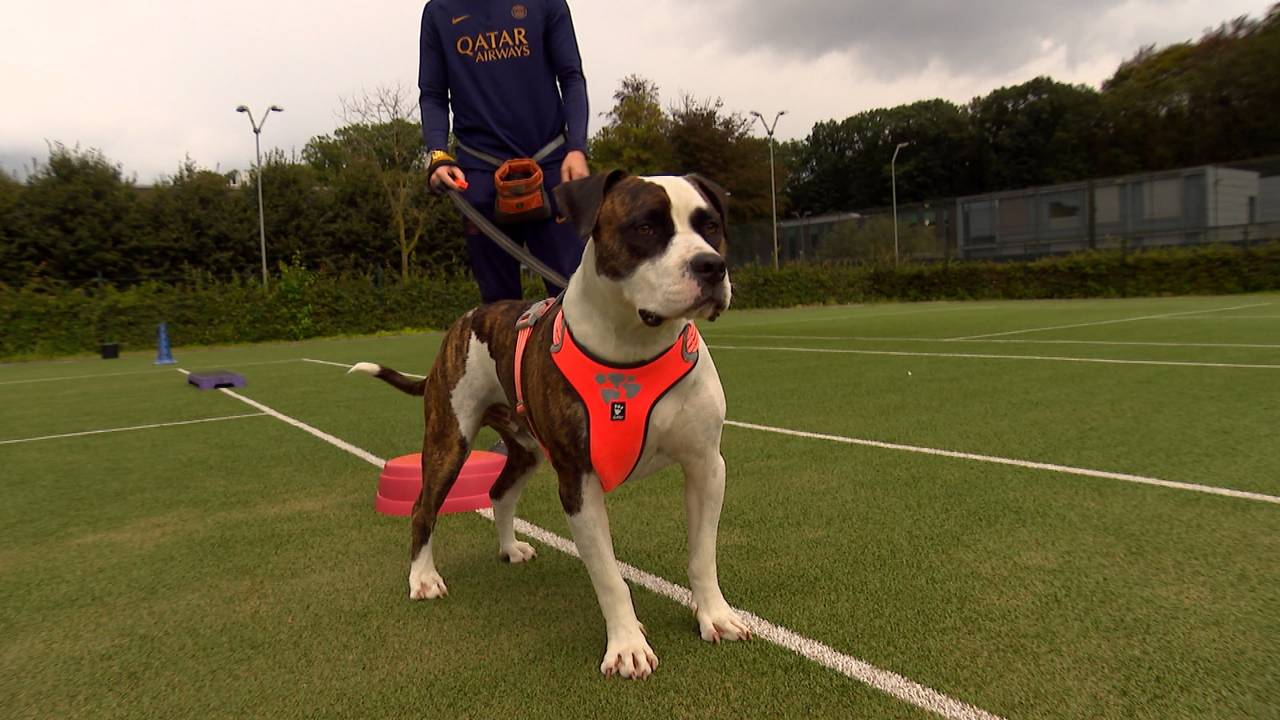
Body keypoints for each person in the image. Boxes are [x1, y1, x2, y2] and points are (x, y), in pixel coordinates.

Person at [419, 0, 590, 303]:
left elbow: (571, 76)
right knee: (497, 312)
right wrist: (437, 153)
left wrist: (577, 148)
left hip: (551, 168)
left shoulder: (547, 4)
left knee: (577, 302)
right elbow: (432, 94)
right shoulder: (439, 12)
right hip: (481, 175)